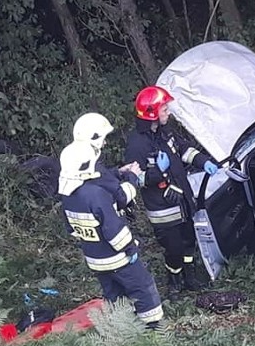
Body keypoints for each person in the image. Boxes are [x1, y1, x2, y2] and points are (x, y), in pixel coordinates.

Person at [124, 86, 220, 297]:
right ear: (152, 114)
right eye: (165, 109)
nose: (168, 112)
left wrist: (203, 162)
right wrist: (159, 172)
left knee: (188, 242)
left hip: (183, 200)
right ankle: (173, 280)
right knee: (174, 249)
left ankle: (190, 277)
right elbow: (134, 179)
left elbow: (184, 149)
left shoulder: (165, 131)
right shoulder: (137, 145)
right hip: (163, 209)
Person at [57, 141, 164, 328]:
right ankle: (154, 330)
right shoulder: (95, 194)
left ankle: (122, 331)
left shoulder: (67, 194)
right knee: (143, 289)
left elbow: (72, 229)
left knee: (114, 297)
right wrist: (131, 250)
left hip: (95, 261)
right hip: (119, 258)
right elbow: (114, 230)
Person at [73, 112, 140, 211]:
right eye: (102, 139)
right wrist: (132, 175)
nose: (104, 143)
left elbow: (100, 180)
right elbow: (121, 197)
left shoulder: (75, 165)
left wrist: (118, 172)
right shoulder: (94, 167)